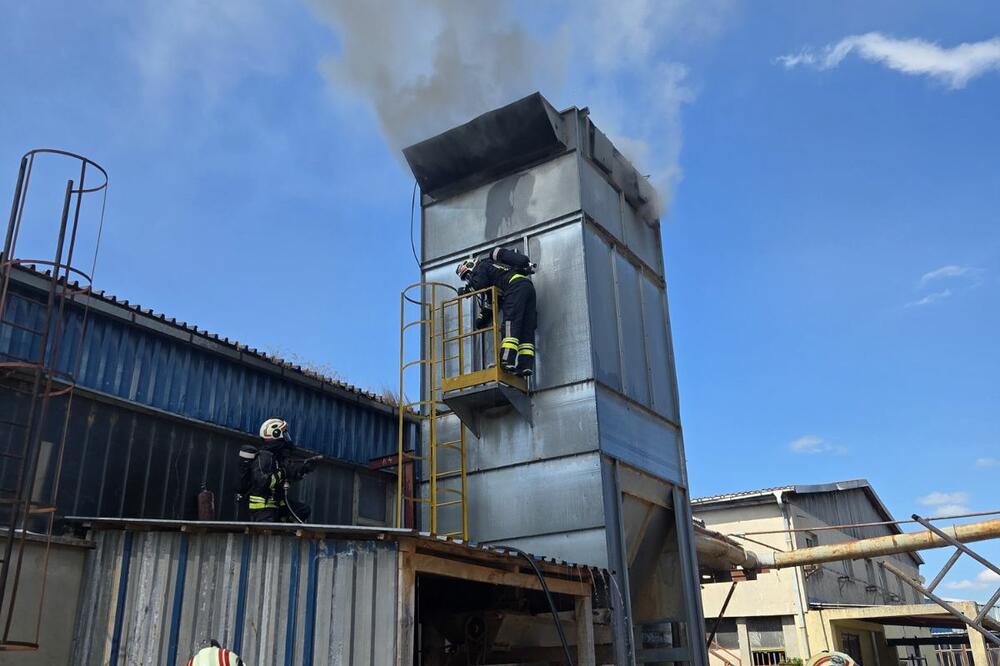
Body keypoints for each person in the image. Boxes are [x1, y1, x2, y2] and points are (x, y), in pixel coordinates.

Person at [457, 246, 537, 377]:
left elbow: (479, 283)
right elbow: (493, 302)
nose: (469, 279)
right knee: (525, 329)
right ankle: (524, 366)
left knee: (511, 325)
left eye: (467, 276)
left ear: (471, 267)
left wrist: (465, 291)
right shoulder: (494, 270)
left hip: (514, 288)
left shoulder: (482, 267)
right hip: (527, 287)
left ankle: (506, 360)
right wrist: (482, 319)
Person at [245, 418, 318, 523]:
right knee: (269, 534)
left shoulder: (276, 456)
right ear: (275, 433)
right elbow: (263, 482)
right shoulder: (264, 457)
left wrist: (305, 468)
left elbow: (289, 472)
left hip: (276, 504)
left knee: (302, 510)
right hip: (262, 509)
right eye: (284, 434)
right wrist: (282, 473)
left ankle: (286, 529)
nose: (286, 437)